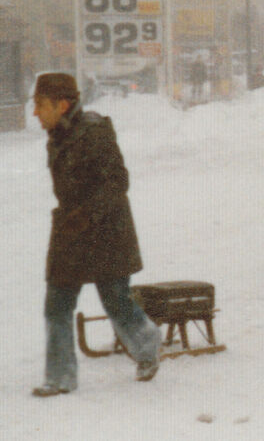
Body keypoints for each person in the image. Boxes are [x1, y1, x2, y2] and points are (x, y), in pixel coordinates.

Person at [30, 73, 160, 397]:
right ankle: (60, 377)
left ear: (62, 105)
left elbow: (118, 182)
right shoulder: (56, 135)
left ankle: (147, 345)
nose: (35, 113)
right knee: (56, 303)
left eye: (40, 105)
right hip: (70, 229)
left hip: (106, 229)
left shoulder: (95, 132)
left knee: (115, 301)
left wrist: (88, 214)